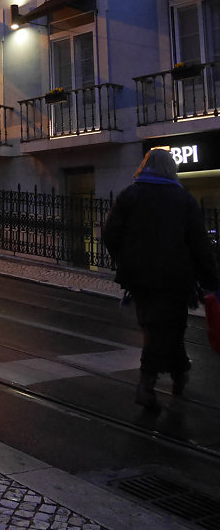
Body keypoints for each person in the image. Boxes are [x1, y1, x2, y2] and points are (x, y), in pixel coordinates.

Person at [103, 148, 219, 410]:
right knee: (171, 327)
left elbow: (110, 234)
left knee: (155, 327)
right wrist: (211, 278)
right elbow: (199, 243)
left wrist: (126, 259)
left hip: (140, 278)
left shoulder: (129, 196)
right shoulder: (183, 199)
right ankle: (151, 382)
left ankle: (176, 374)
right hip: (175, 277)